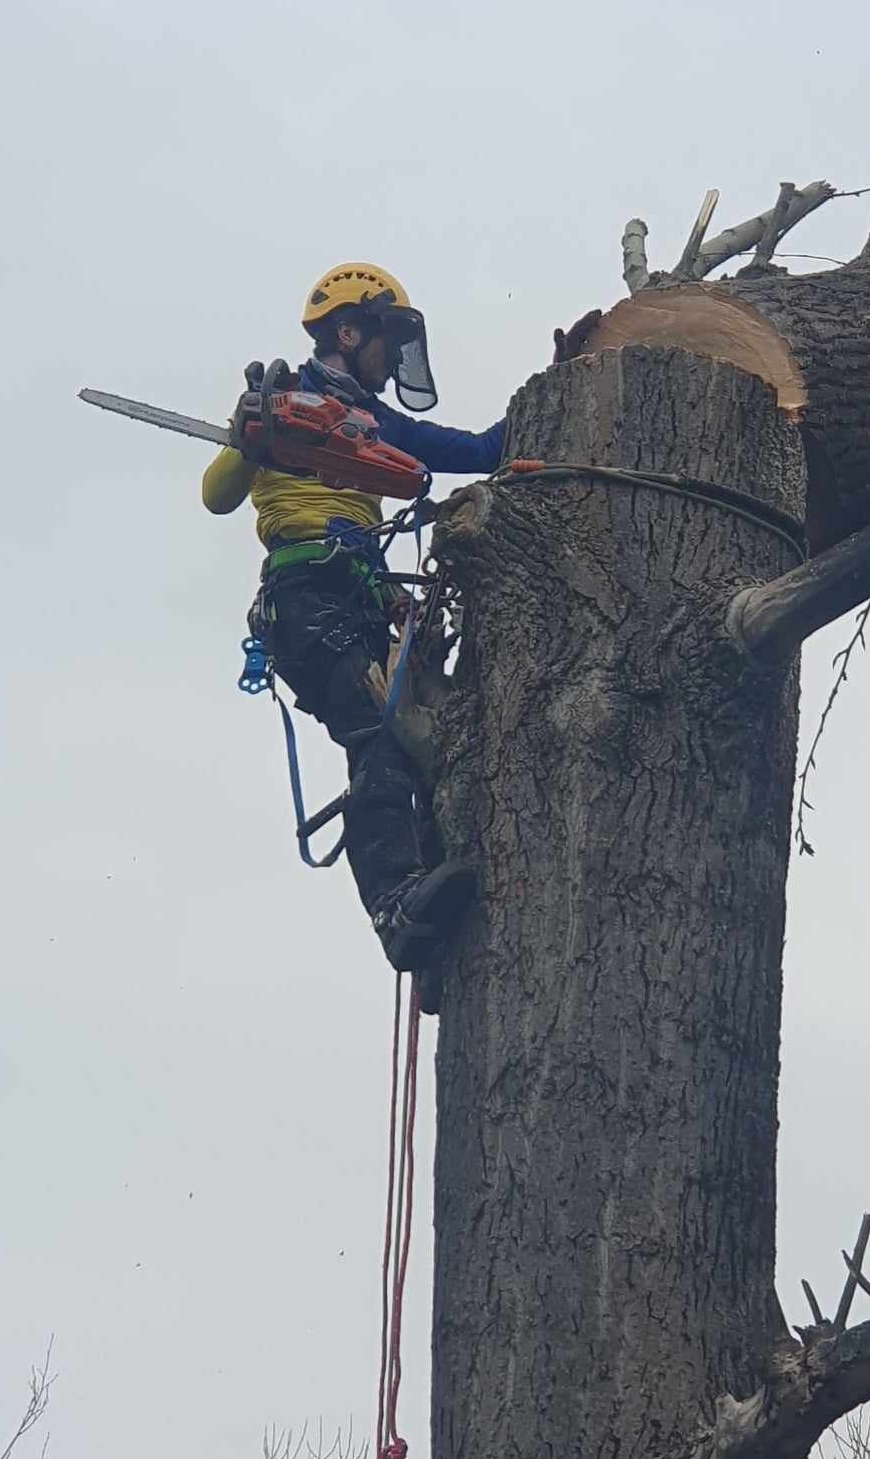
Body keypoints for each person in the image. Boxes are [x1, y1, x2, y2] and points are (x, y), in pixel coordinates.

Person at [202, 261, 598, 1001]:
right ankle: (393, 906)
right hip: (304, 596)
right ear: (351, 332)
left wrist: (559, 388)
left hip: (361, 600)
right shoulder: (279, 405)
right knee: (376, 738)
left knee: (422, 752)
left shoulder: (373, 423)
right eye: (386, 342)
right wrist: (247, 434)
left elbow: (477, 452)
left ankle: (434, 934)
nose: (391, 363)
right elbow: (215, 495)